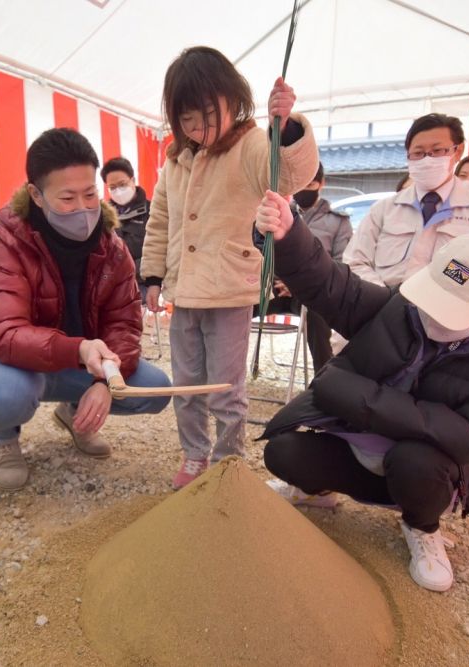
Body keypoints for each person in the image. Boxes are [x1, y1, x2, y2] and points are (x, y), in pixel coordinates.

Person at [254, 189, 469, 592]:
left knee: (417, 462)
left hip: (419, 470)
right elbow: (332, 286)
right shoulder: (400, 308)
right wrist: (289, 236)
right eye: (434, 297)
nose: (433, 314)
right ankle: (318, 492)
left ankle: (422, 527)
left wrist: (358, 397)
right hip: (361, 452)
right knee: (282, 453)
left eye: (452, 307)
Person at [141, 46, 319, 489]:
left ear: (232, 98)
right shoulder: (175, 158)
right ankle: (195, 455)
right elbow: (160, 218)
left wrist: (287, 128)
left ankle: (228, 463)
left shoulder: (252, 144)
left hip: (230, 290)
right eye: (186, 120)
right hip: (184, 293)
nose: (197, 129)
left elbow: (289, 178)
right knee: (185, 386)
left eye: (205, 115)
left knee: (225, 388)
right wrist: (152, 275)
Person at [0, 128, 172, 492]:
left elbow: (124, 324)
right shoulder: (3, 240)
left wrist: (106, 380)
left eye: (90, 194)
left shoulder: (112, 247)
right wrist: (79, 349)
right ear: (36, 195)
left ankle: (75, 414)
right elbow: (3, 333)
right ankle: (4, 436)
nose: (84, 208)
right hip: (19, 363)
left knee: (156, 390)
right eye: (68, 198)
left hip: (83, 362)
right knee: (6, 392)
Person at [342, 113, 469, 287]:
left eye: (437, 151)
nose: (427, 160)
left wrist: (445, 275)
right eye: (418, 153)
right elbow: (355, 261)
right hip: (383, 305)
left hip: (449, 308)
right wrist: (384, 298)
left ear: (457, 151)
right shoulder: (383, 209)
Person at [277, 163, 352, 369]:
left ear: (322, 183)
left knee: (317, 314)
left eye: (310, 183)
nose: (304, 189)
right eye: (299, 184)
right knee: (239, 306)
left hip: (312, 291)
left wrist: (297, 284)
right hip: (275, 288)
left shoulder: (337, 222)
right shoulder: (281, 214)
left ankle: (324, 374)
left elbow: (340, 265)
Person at [100, 157, 150, 300]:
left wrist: (127, 270)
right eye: (112, 187)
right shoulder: (103, 216)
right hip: (112, 285)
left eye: (122, 184)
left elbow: (159, 251)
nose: (118, 191)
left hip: (144, 284)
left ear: (133, 180)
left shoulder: (153, 211)